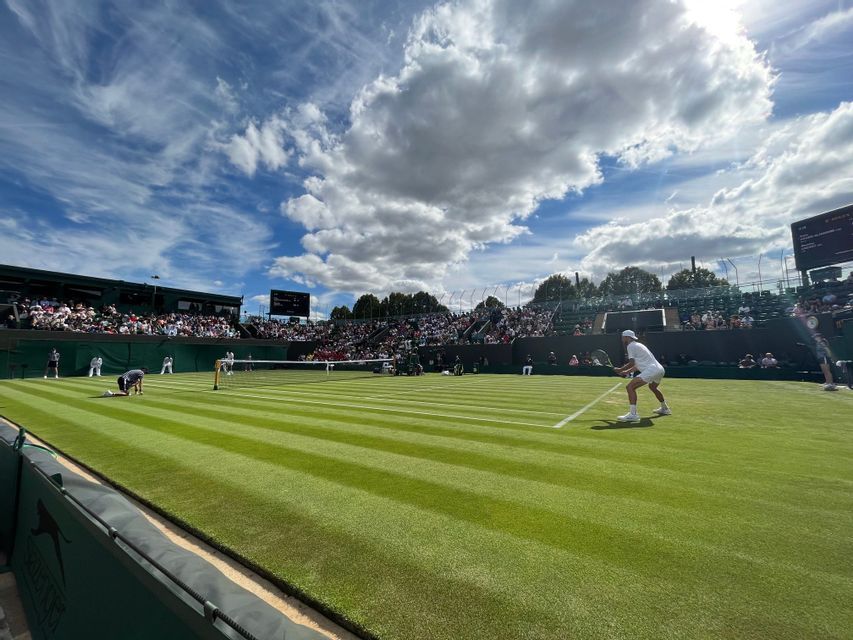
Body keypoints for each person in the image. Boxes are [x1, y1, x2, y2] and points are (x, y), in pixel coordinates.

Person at [612, 330, 670, 422]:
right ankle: (665, 408)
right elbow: (637, 365)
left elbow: (632, 363)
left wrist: (620, 370)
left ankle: (633, 414)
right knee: (653, 387)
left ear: (627, 337)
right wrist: (626, 371)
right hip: (660, 369)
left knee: (630, 387)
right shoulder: (639, 345)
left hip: (652, 370)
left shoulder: (630, 346)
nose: (622, 338)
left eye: (623, 337)